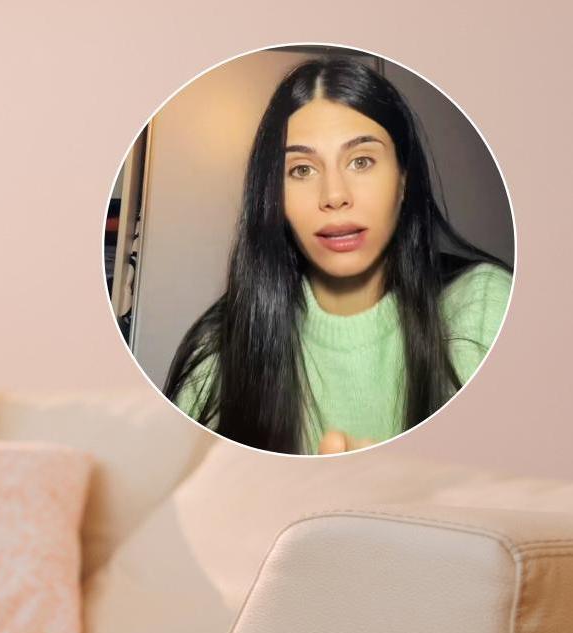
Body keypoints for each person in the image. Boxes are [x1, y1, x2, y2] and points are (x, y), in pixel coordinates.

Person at [163, 57, 512, 455]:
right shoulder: (218, 350)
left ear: (403, 180)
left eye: (361, 161)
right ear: (274, 196)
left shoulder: (483, 310)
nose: (334, 195)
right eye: (302, 170)